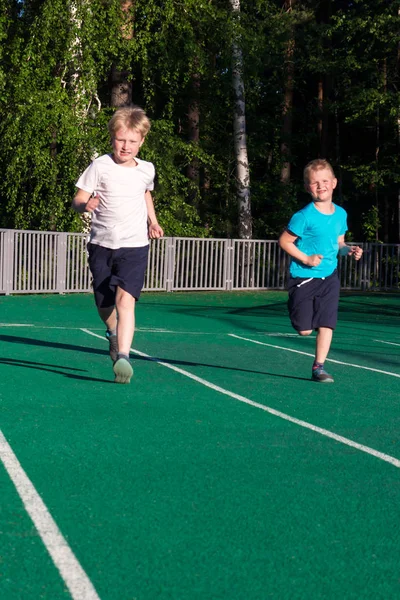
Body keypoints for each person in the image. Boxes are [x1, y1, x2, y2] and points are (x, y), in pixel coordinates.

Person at [72, 105, 163, 384]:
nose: (126, 146)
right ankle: (112, 331)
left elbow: (145, 193)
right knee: (104, 303)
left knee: (126, 300)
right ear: (113, 137)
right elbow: (77, 200)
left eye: (132, 142)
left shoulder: (146, 169)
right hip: (101, 243)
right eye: (121, 140)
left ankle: (123, 355)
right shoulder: (100, 166)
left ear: (142, 141)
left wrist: (153, 221)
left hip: (135, 245)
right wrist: (85, 205)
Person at [278, 158, 363, 383]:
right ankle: (300, 312)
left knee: (327, 323)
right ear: (308, 187)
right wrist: (306, 258)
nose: (321, 186)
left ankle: (319, 367)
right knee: (305, 330)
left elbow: (339, 244)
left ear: (334, 183)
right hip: (304, 277)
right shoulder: (303, 216)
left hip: (330, 277)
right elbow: (284, 242)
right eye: (315, 183)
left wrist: (350, 249)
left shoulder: (341, 214)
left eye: (325, 181)